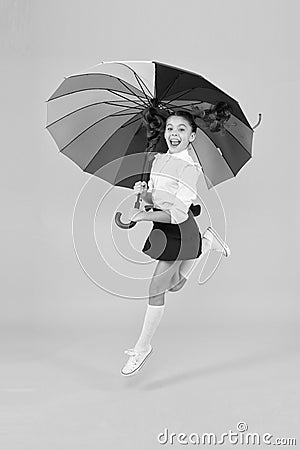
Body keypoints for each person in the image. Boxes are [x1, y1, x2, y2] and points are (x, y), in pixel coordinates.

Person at [121, 109, 230, 377]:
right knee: (177, 285)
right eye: (170, 128)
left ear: (192, 136)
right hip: (165, 227)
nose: (174, 134)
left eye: (182, 129)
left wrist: (143, 216)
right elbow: (158, 201)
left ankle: (142, 347)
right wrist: (145, 195)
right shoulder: (158, 160)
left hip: (180, 229)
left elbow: (179, 213)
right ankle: (206, 244)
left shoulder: (190, 169)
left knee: (155, 289)